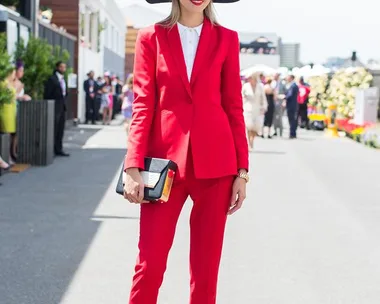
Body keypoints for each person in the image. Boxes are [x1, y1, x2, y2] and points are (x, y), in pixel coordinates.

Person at [123, 0, 249, 303]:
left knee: (206, 272)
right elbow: (142, 104)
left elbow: (234, 106)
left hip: (217, 168)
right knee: (149, 265)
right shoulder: (150, 37)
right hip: (163, 166)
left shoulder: (227, 38)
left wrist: (242, 171)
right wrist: (132, 166)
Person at [44, 61, 70, 156]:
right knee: (54, 129)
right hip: (54, 107)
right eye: (62, 67)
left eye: (65, 67)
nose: (63, 69)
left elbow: (65, 93)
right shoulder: (52, 79)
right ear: (57, 67)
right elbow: (47, 94)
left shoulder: (63, 79)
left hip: (62, 107)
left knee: (60, 129)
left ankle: (59, 149)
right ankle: (51, 150)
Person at [242, 72, 267, 150]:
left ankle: (252, 139)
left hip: (257, 109)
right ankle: (250, 142)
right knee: (249, 126)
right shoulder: (245, 86)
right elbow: (241, 96)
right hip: (247, 108)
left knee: (256, 127)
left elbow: (263, 98)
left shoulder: (260, 87)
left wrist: (264, 107)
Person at [0, 70, 17, 164]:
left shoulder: (8, 83)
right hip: (6, 111)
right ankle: (7, 157)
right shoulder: (3, 83)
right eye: (13, 73)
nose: (14, 75)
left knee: (10, 134)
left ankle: (9, 156)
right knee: (7, 134)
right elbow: (10, 96)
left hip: (11, 111)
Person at [285, 74, 299, 139]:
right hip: (292, 105)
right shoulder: (293, 85)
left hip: (291, 106)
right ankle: (292, 133)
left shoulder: (293, 86)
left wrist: (284, 97)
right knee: (292, 120)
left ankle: (292, 133)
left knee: (292, 120)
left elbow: (290, 95)